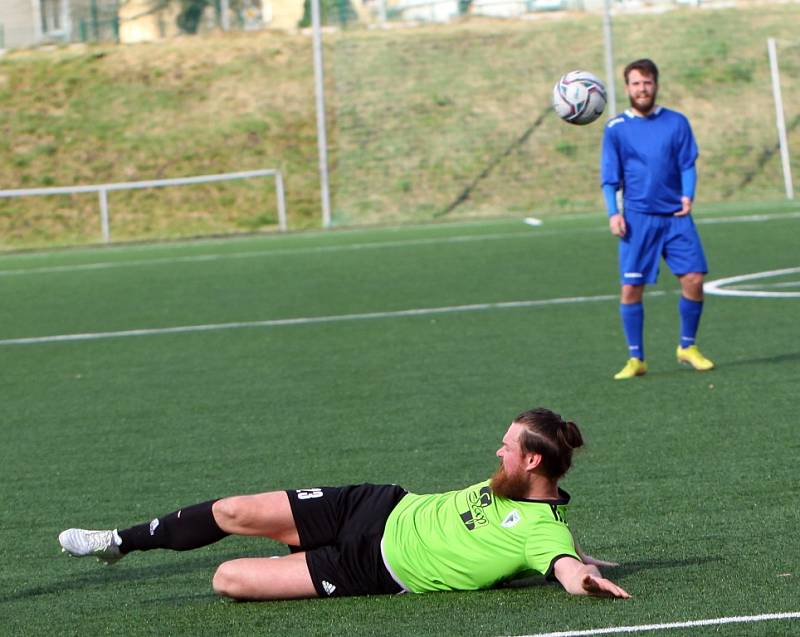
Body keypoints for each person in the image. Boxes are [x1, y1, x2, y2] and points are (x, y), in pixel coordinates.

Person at [58, 407, 630, 601]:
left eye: (506, 447)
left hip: (369, 569)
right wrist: (583, 554)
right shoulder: (523, 490)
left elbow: (560, 562)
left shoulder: (542, 532)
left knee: (227, 580)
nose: (497, 451)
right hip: (372, 507)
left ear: (531, 462)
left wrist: (583, 577)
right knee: (232, 510)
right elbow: (564, 536)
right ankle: (117, 541)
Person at [601, 58, 715, 380]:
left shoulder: (677, 122)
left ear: (656, 85)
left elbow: (687, 163)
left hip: (676, 218)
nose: (642, 89)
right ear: (627, 88)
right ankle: (636, 358)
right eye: (636, 83)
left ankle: (687, 346)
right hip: (638, 219)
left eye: (647, 83)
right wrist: (613, 213)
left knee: (694, 278)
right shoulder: (615, 129)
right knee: (631, 288)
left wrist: (688, 194)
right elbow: (610, 178)